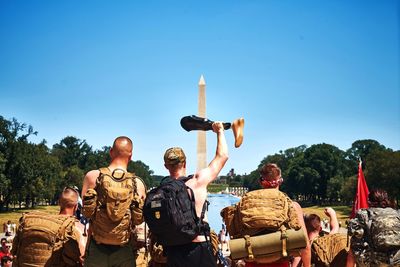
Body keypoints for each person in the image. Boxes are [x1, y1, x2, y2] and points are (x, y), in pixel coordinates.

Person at [162, 121, 228, 267]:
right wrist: (219, 131)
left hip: (174, 251)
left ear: (166, 166)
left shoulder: (161, 191)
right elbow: (222, 156)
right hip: (199, 248)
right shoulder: (197, 182)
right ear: (185, 163)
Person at [82, 136, 147, 267]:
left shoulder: (92, 177)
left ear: (111, 151)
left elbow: (86, 214)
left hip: (96, 248)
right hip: (124, 249)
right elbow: (139, 220)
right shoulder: (138, 183)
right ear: (131, 155)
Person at [251, 163, 311, 267]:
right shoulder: (292, 206)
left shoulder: (249, 205)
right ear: (280, 181)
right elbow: (305, 245)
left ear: (261, 182)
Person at [11, 187, 85, 266]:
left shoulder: (33, 221)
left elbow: (14, 250)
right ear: (76, 206)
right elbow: (83, 258)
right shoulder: (75, 227)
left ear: (59, 203)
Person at [346, 188, 399, 267]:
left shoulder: (364, 214)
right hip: (397, 261)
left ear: (369, 201)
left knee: (355, 241)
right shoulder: (397, 214)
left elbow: (352, 232)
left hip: (374, 262)